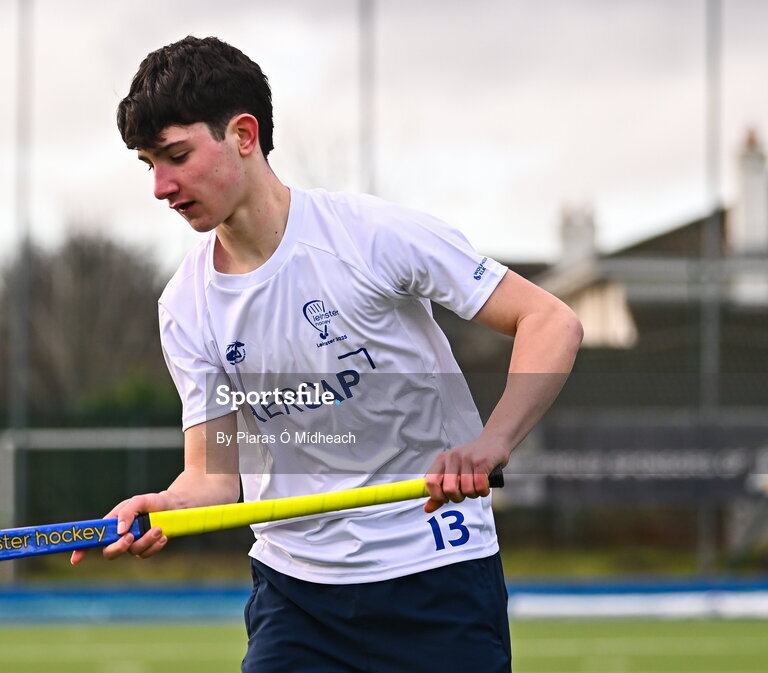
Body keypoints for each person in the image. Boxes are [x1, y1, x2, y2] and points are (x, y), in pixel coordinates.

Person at [71, 35, 583, 672]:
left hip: (436, 576)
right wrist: (171, 507)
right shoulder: (185, 306)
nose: (160, 186)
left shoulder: (370, 237)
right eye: (149, 164)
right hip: (297, 599)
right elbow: (214, 475)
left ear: (244, 135)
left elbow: (550, 320)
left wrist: (493, 441)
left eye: (175, 156)